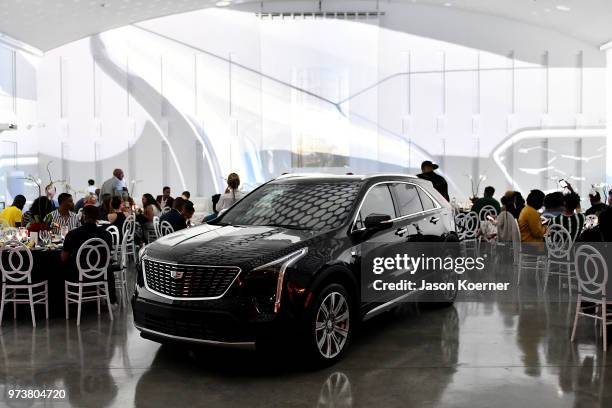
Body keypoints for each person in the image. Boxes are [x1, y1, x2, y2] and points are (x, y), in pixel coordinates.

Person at [61, 205, 116, 304]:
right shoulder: (106, 235)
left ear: (84, 216)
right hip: (101, 273)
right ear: (97, 217)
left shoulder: (73, 234)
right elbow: (108, 256)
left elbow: (64, 258)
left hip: (77, 274)